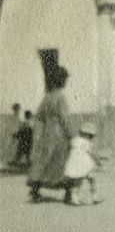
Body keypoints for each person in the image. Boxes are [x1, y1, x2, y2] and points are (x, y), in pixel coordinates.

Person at [27, 65, 72, 203]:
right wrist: (71, 134)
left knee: (44, 161)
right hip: (59, 136)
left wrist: (39, 133)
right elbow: (65, 119)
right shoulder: (61, 98)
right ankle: (68, 193)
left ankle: (34, 190)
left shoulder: (46, 98)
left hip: (47, 134)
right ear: (62, 80)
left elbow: (39, 116)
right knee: (63, 162)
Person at [63, 122, 101, 205]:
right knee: (91, 179)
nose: (91, 138)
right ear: (88, 135)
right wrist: (97, 160)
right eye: (91, 136)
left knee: (76, 181)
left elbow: (69, 149)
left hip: (75, 163)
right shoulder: (87, 143)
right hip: (86, 163)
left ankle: (74, 198)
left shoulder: (75, 141)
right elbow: (91, 153)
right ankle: (95, 196)